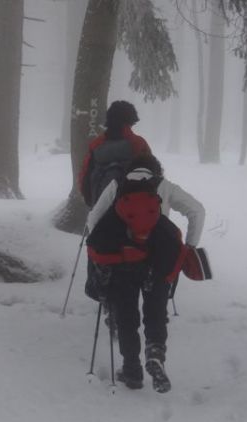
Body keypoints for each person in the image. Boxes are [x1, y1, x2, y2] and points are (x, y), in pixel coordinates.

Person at [84, 153, 205, 392]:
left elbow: (93, 220)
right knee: (155, 311)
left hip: (123, 262)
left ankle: (132, 370)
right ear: (155, 170)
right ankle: (155, 352)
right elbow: (197, 211)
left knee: (126, 316)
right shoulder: (164, 186)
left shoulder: (117, 185)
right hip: (159, 261)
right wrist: (189, 247)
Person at [78, 100, 152, 206]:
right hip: (133, 210)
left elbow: (84, 177)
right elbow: (153, 174)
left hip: (101, 210)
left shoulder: (96, 144)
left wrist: (92, 202)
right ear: (131, 120)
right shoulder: (139, 143)